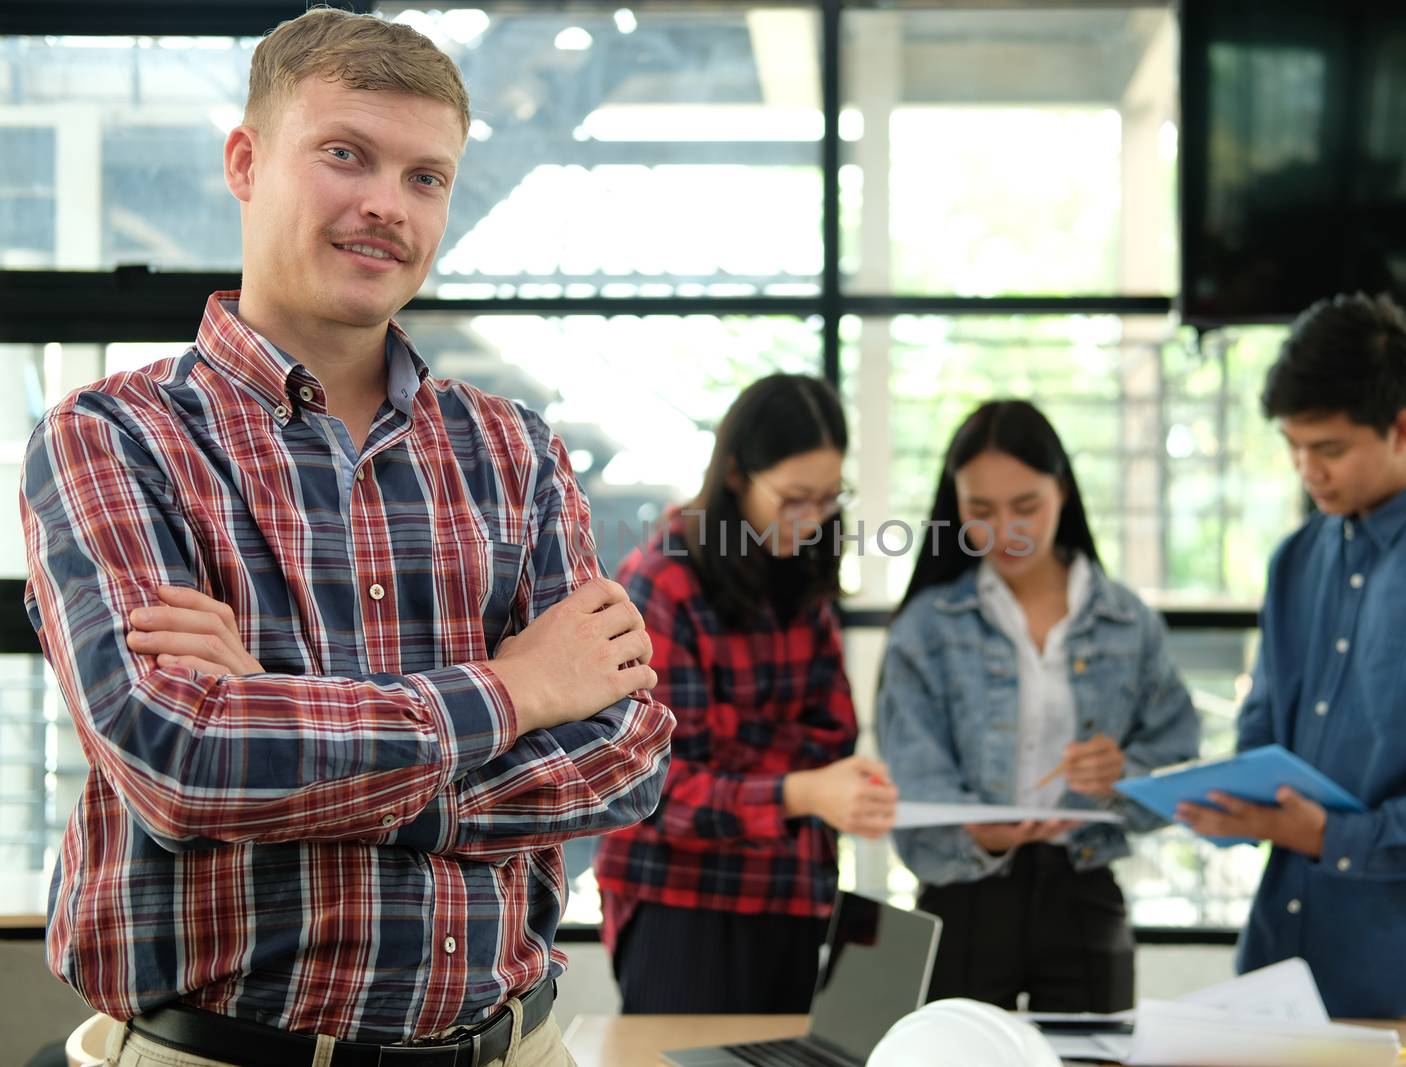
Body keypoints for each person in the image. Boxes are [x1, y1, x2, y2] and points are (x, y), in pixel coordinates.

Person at [19, 10, 674, 1066]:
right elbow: (185, 759)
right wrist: (511, 693)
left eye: (426, 176)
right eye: (345, 155)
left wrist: (283, 737)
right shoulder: (111, 436)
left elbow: (626, 756)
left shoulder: (518, 452)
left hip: (516, 1048)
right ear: (244, 160)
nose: (386, 204)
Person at [1177, 293, 1406, 1020]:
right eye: (1293, 447)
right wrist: (1236, 800)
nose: (1306, 471)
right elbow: (1264, 729)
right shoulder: (1297, 559)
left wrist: (1332, 835)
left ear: (1404, 428)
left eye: (1329, 449)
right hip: (1284, 969)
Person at [877, 399, 1199, 1013]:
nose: (1006, 531)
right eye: (981, 511)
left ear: (1064, 493)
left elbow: (1180, 768)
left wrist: (1120, 776)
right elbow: (912, 777)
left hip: (1084, 892)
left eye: (1027, 506)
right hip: (962, 896)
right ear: (955, 506)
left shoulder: (1129, 622)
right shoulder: (925, 627)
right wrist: (978, 829)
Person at [595, 374, 897, 1014]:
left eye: (827, 498)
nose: (812, 519)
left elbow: (835, 731)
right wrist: (801, 789)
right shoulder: (662, 584)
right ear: (736, 475)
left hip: (791, 893)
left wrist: (737, 754)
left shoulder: (801, 572)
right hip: (682, 904)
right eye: (793, 498)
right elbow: (657, 791)